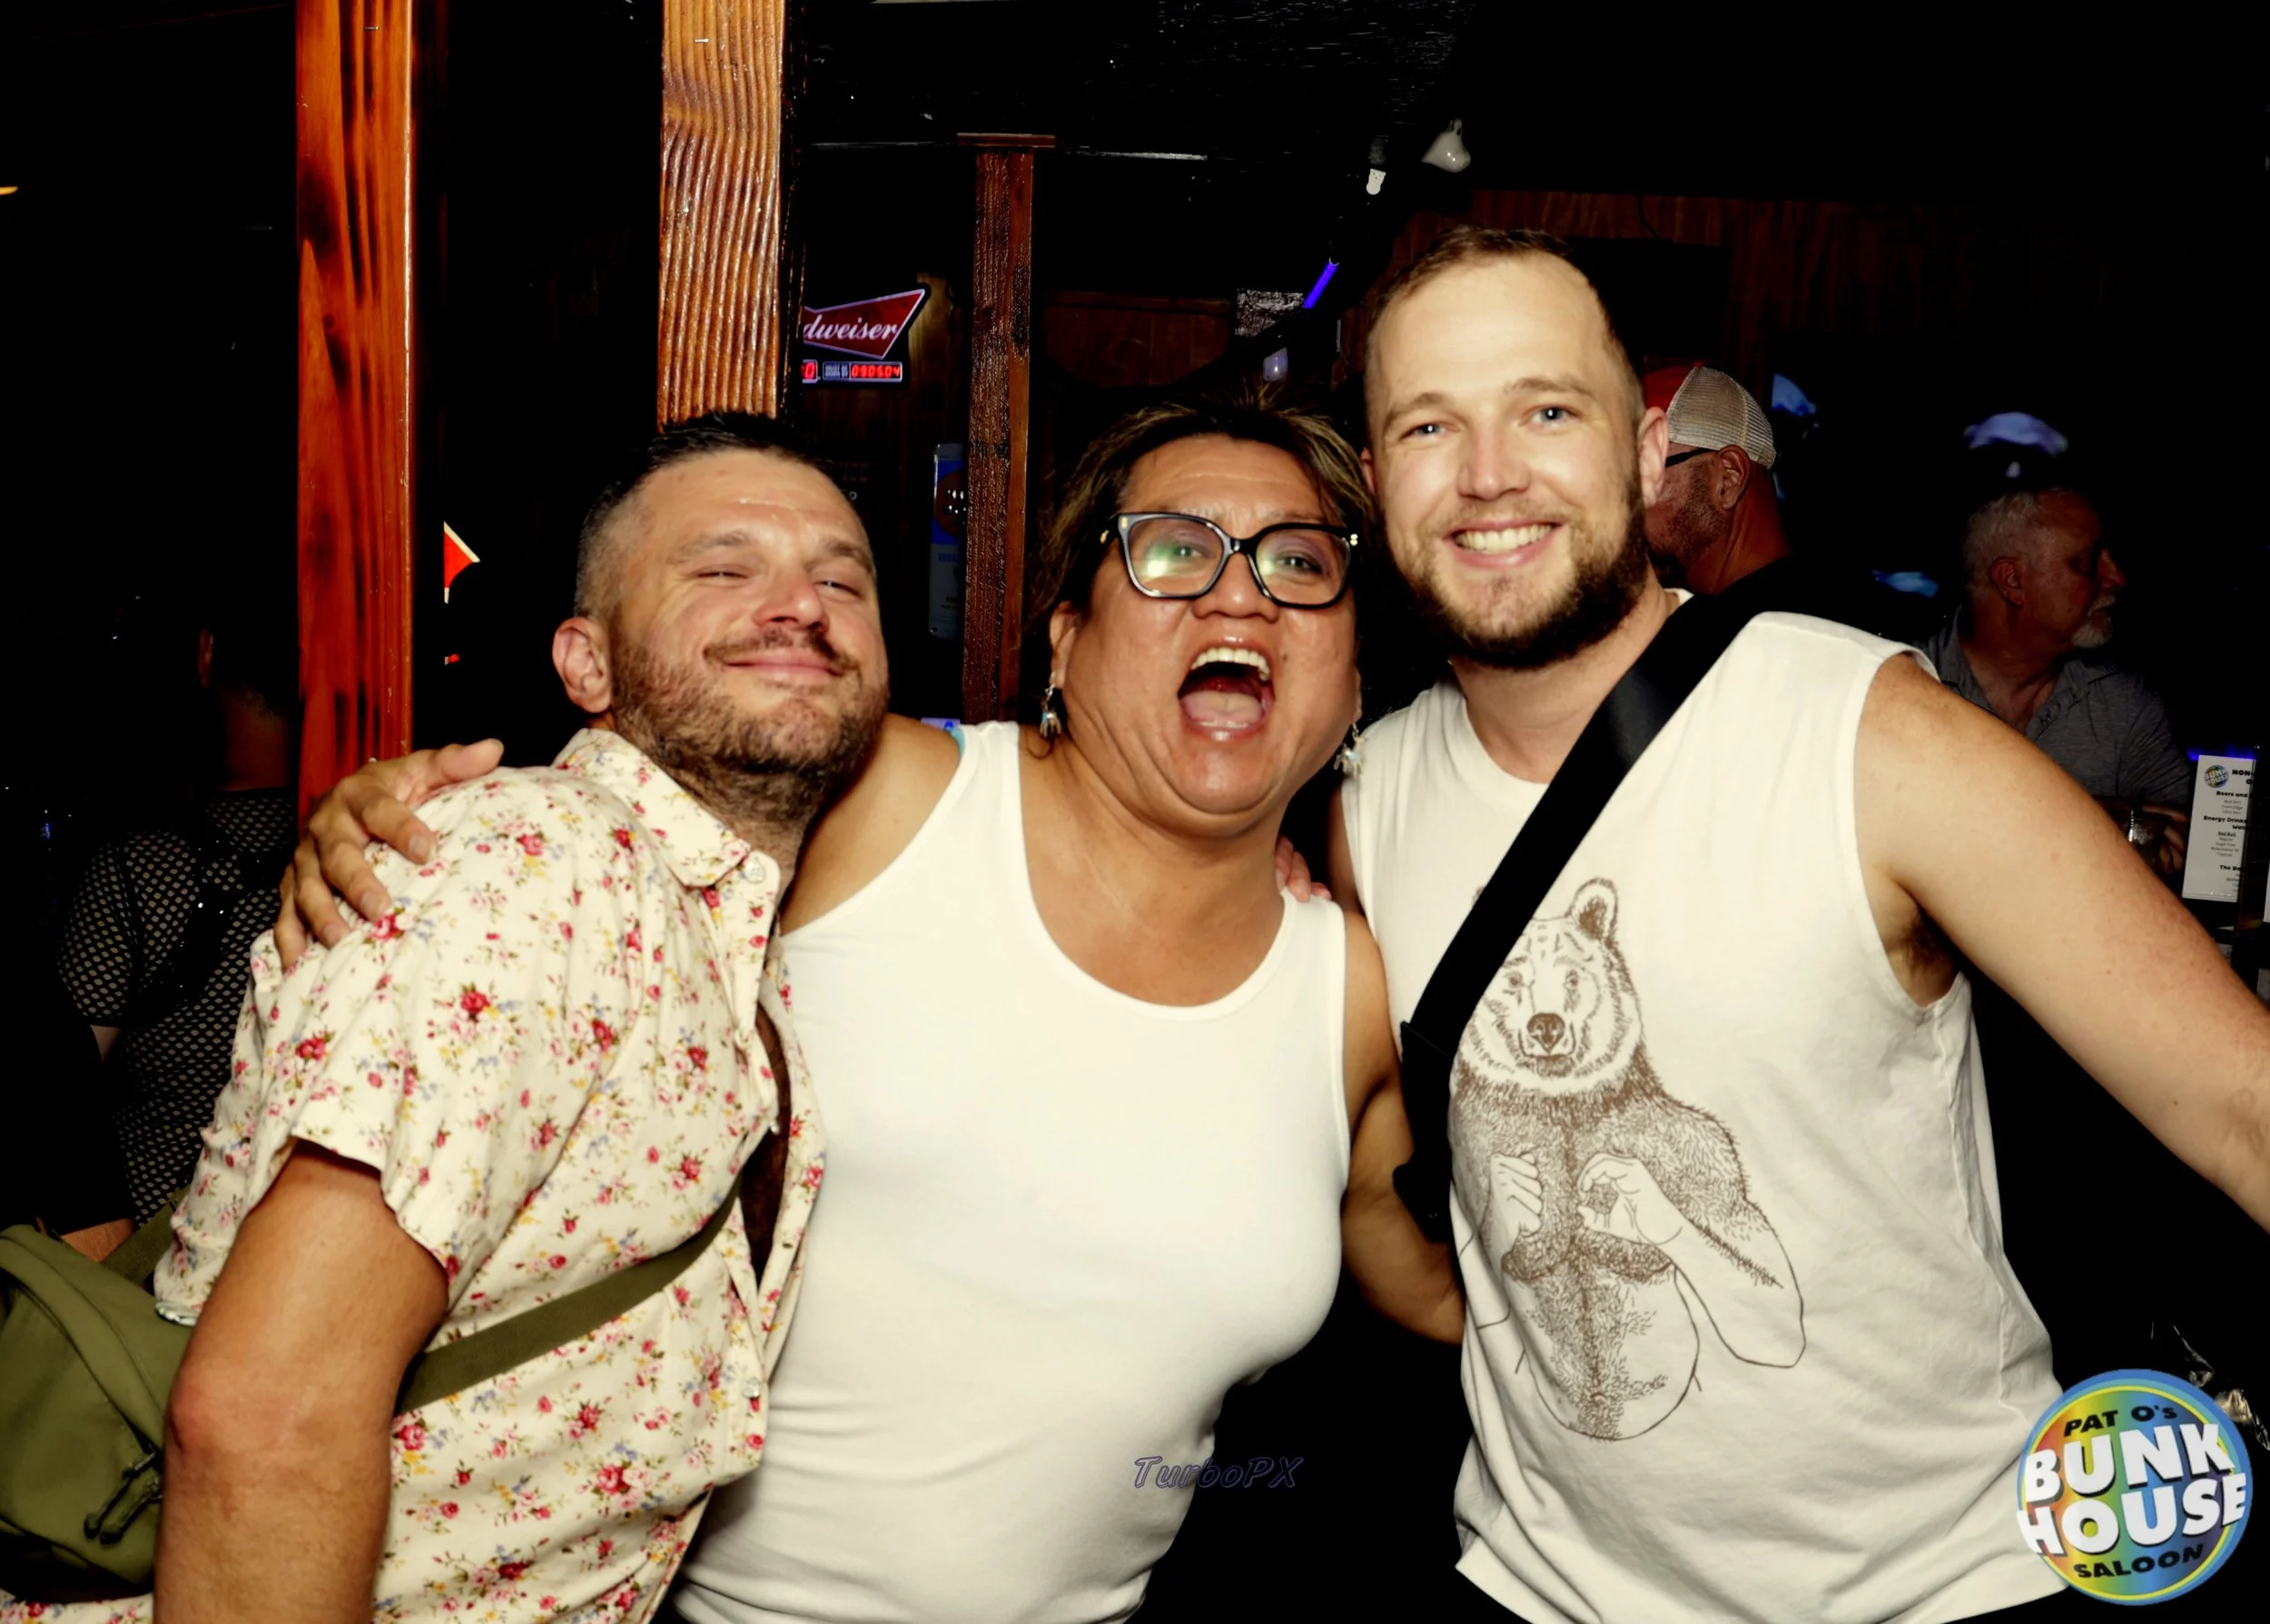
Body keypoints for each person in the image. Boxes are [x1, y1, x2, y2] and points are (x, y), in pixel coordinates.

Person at [275, 387, 1456, 1622]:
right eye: (1172, 551)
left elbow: (1454, 1300)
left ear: (1353, 674)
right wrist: (390, 813)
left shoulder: (1347, 990)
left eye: (1300, 562)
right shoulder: (885, 797)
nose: (1240, 596)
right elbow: (578, 823)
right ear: (1065, 638)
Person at [1327, 225, 2270, 1623]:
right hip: (1539, 1590)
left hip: (1940, 1590)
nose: (1488, 471)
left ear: (1647, 456)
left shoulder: (1872, 739)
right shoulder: (1370, 803)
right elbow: (1384, 1205)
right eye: (1428, 425)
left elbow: (2244, 1104)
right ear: (1375, 481)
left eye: (1547, 410)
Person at [21, 414, 860, 1624]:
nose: (800, 605)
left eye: (843, 579)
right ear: (586, 665)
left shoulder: (716, 925)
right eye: (723, 569)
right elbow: (267, 1420)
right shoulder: (537, 864)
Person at [57, 593, 300, 1236]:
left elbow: (60, 1087)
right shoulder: (370, 854)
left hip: (147, 1248)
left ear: (206, 654)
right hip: (297, 1238)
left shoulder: (136, 867)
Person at [1922, 486, 2193, 878]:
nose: (2116, 577)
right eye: (2086, 563)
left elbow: (2187, 840)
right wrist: (2085, 819)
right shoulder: (1905, 687)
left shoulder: (2121, 699)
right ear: (2012, 582)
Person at [1642, 361, 1935, 642]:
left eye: (1642, 475)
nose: (1624, 506)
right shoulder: (1695, 619)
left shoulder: (1807, 635)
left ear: (1729, 478)